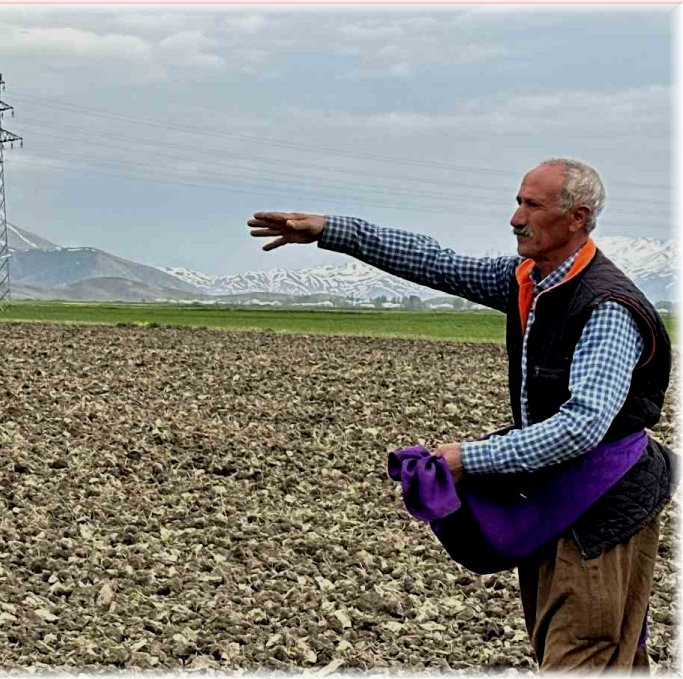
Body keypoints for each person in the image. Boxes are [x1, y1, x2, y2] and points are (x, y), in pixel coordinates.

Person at [247, 158, 674, 671]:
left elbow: (580, 427)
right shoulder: (527, 280)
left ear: (577, 217)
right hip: (557, 492)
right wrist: (331, 231)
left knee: (582, 653)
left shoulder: (607, 307)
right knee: (598, 652)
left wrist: (469, 459)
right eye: (518, 202)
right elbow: (435, 262)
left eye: (531, 206)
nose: (515, 218)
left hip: (604, 500)